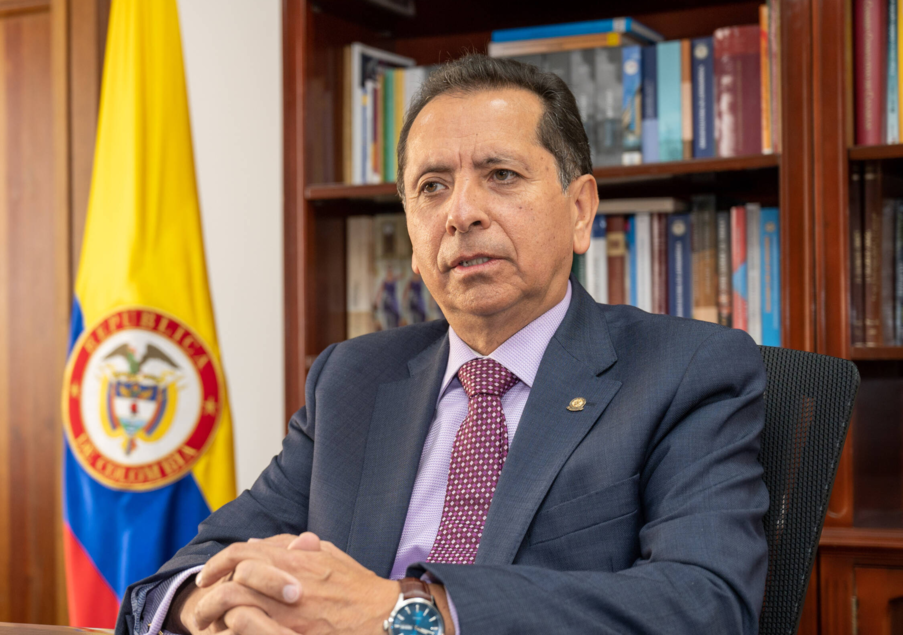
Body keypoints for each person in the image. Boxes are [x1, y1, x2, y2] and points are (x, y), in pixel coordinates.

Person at [116, 54, 768, 635]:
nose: (461, 213)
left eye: (501, 175)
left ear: (579, 210)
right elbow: (193, 568)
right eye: (432, 187)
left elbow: (705, 604)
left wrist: (407, 610)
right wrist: (204, 608)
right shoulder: (352, 377)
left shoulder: (686, 370)